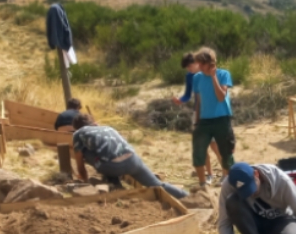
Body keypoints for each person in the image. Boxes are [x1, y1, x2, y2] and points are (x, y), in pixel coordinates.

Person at [70, 113, 187, 199]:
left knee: (85, 151)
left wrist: (85, 180)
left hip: (111, 166)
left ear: (76, 128)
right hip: (133, 161)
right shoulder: (108, 128)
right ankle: (188, 196)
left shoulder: (78, 134)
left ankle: (114, 182)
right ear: (95, 123)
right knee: (157, 184)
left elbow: (80, 162)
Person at [174, 52, 222, 185]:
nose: (189, 69)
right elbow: (187, 95)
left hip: (212, 113)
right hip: (198, 113)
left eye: (190, 66)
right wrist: (180, 100)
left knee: (215, 146)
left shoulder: (212, 74)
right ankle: (209, 175)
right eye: (187, 68)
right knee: (202, 146)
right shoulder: (190, 76)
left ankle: (226, 173)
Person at [192, 47, 236, 187]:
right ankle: (203, 183)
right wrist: (196, 121)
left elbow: (221, 97)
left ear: (210, 63)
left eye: (201, 63)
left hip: (222, 119)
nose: (198, 66)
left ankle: (227, 179)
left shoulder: (224, 74)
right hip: (204, 121)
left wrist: (213, 76)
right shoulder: (196, 78)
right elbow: (198, 101)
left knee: (225, 151)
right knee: (199, 151)